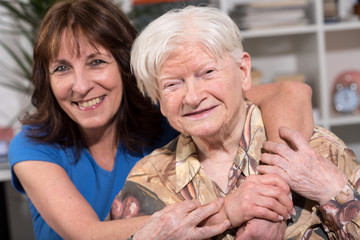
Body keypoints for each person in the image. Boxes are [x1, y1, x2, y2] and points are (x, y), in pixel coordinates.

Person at [8, 0, 314, 239]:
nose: (81, 85)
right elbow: (89, 234)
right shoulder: (32, 146)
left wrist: (273, 191)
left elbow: (291, 92)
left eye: (96, 62)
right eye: (62, 68)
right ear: (46, 79)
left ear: (125, 66)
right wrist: (229, 210)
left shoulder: (171, 112)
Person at [110, 5, 360, 240]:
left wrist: (335, 192)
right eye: (172, 84)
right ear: (158, 100)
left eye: (207, 73)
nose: (194, 97)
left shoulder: (314, 151)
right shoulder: (147, 180)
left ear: (243, 72)